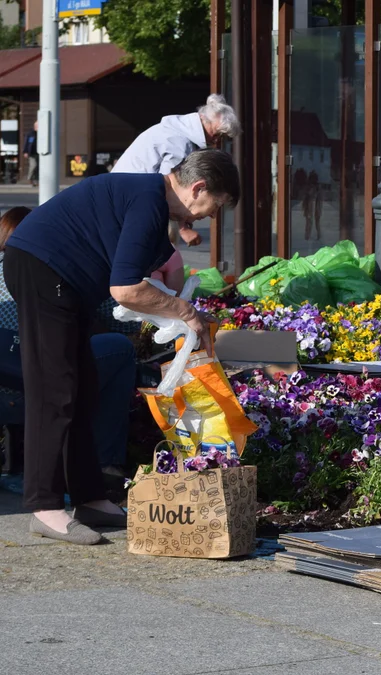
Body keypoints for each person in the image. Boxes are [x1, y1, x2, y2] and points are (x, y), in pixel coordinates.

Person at [4, 149, 240, 545]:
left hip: (61, 279)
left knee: (83, 388)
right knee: (56, 390)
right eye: (213, 207)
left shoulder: (150, 201)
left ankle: (89, 498)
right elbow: (126, 289)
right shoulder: (148, 201)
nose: (209, 218)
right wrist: (184, 311)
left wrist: (187, 312)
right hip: (42, 269)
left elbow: (148, 282)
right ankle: (44, 507)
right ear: (197, 187)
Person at [0, 207, 138, 494]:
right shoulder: (64, 269)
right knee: (120, 350)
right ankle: (104, 462)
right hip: (48, 387)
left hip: (6, 386)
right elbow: (123, 323)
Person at [112, 94, 241, 289]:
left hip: (125, 197)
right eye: (217, 135)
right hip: (129, 204)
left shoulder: (174, 130)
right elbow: (173, 190)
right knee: (162, 261)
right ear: (204, 122)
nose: (215, 141)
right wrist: (184, 228)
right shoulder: (179, 142)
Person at [22, 121, 38, 187]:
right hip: (32, 153)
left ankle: (36, 181)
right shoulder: (30, 134)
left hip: (39, 153)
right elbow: (26, 143)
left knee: (38, 167)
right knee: (33, 165)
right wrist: (25, 151)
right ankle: (30, 178)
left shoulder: (42, 133)